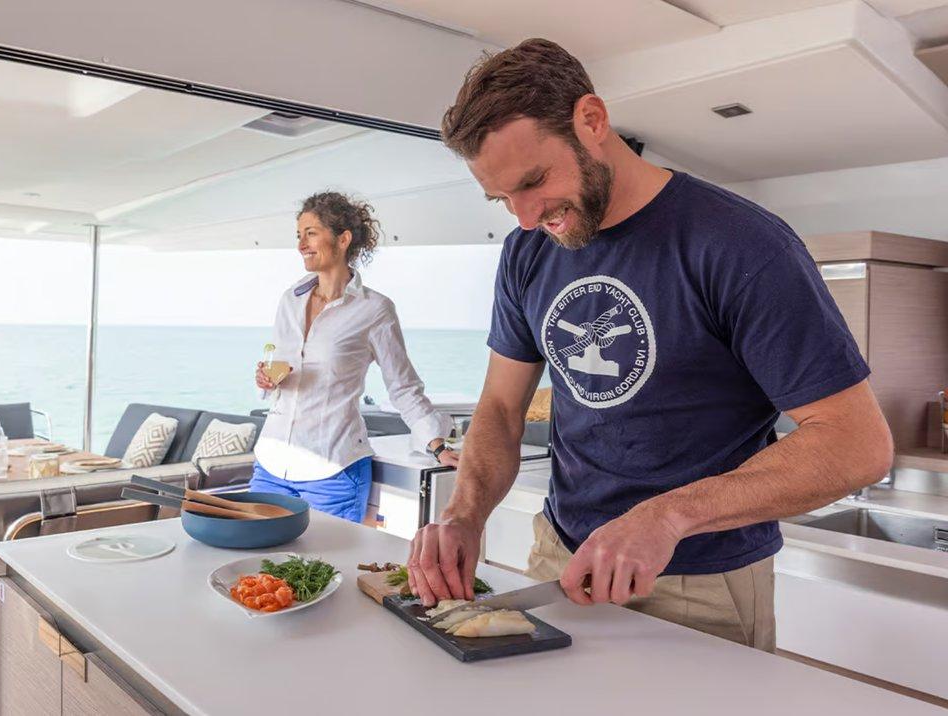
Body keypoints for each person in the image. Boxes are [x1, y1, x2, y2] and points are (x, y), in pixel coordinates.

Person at [406, 39, 892, 651]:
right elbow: (502, 409)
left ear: (592, 120)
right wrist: (463, 514)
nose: (526, 218)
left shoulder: (741, 245)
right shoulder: (526, 252)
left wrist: (666, 516)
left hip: (700, 583)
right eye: (503, 199)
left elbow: (857, 443)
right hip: (558, 556)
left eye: (534, 181)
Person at [250, 191, 459, 523]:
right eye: (299, 235)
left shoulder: (374, 310)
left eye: (311, 233)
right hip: (271, 464)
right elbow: (280, 366)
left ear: (343, 239)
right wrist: (266, 380)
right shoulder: (290, 300)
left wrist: (437, 446)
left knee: (326, 557)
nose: (301, 244)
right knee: (257, 554)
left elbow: (403, 387)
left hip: (332, 471)